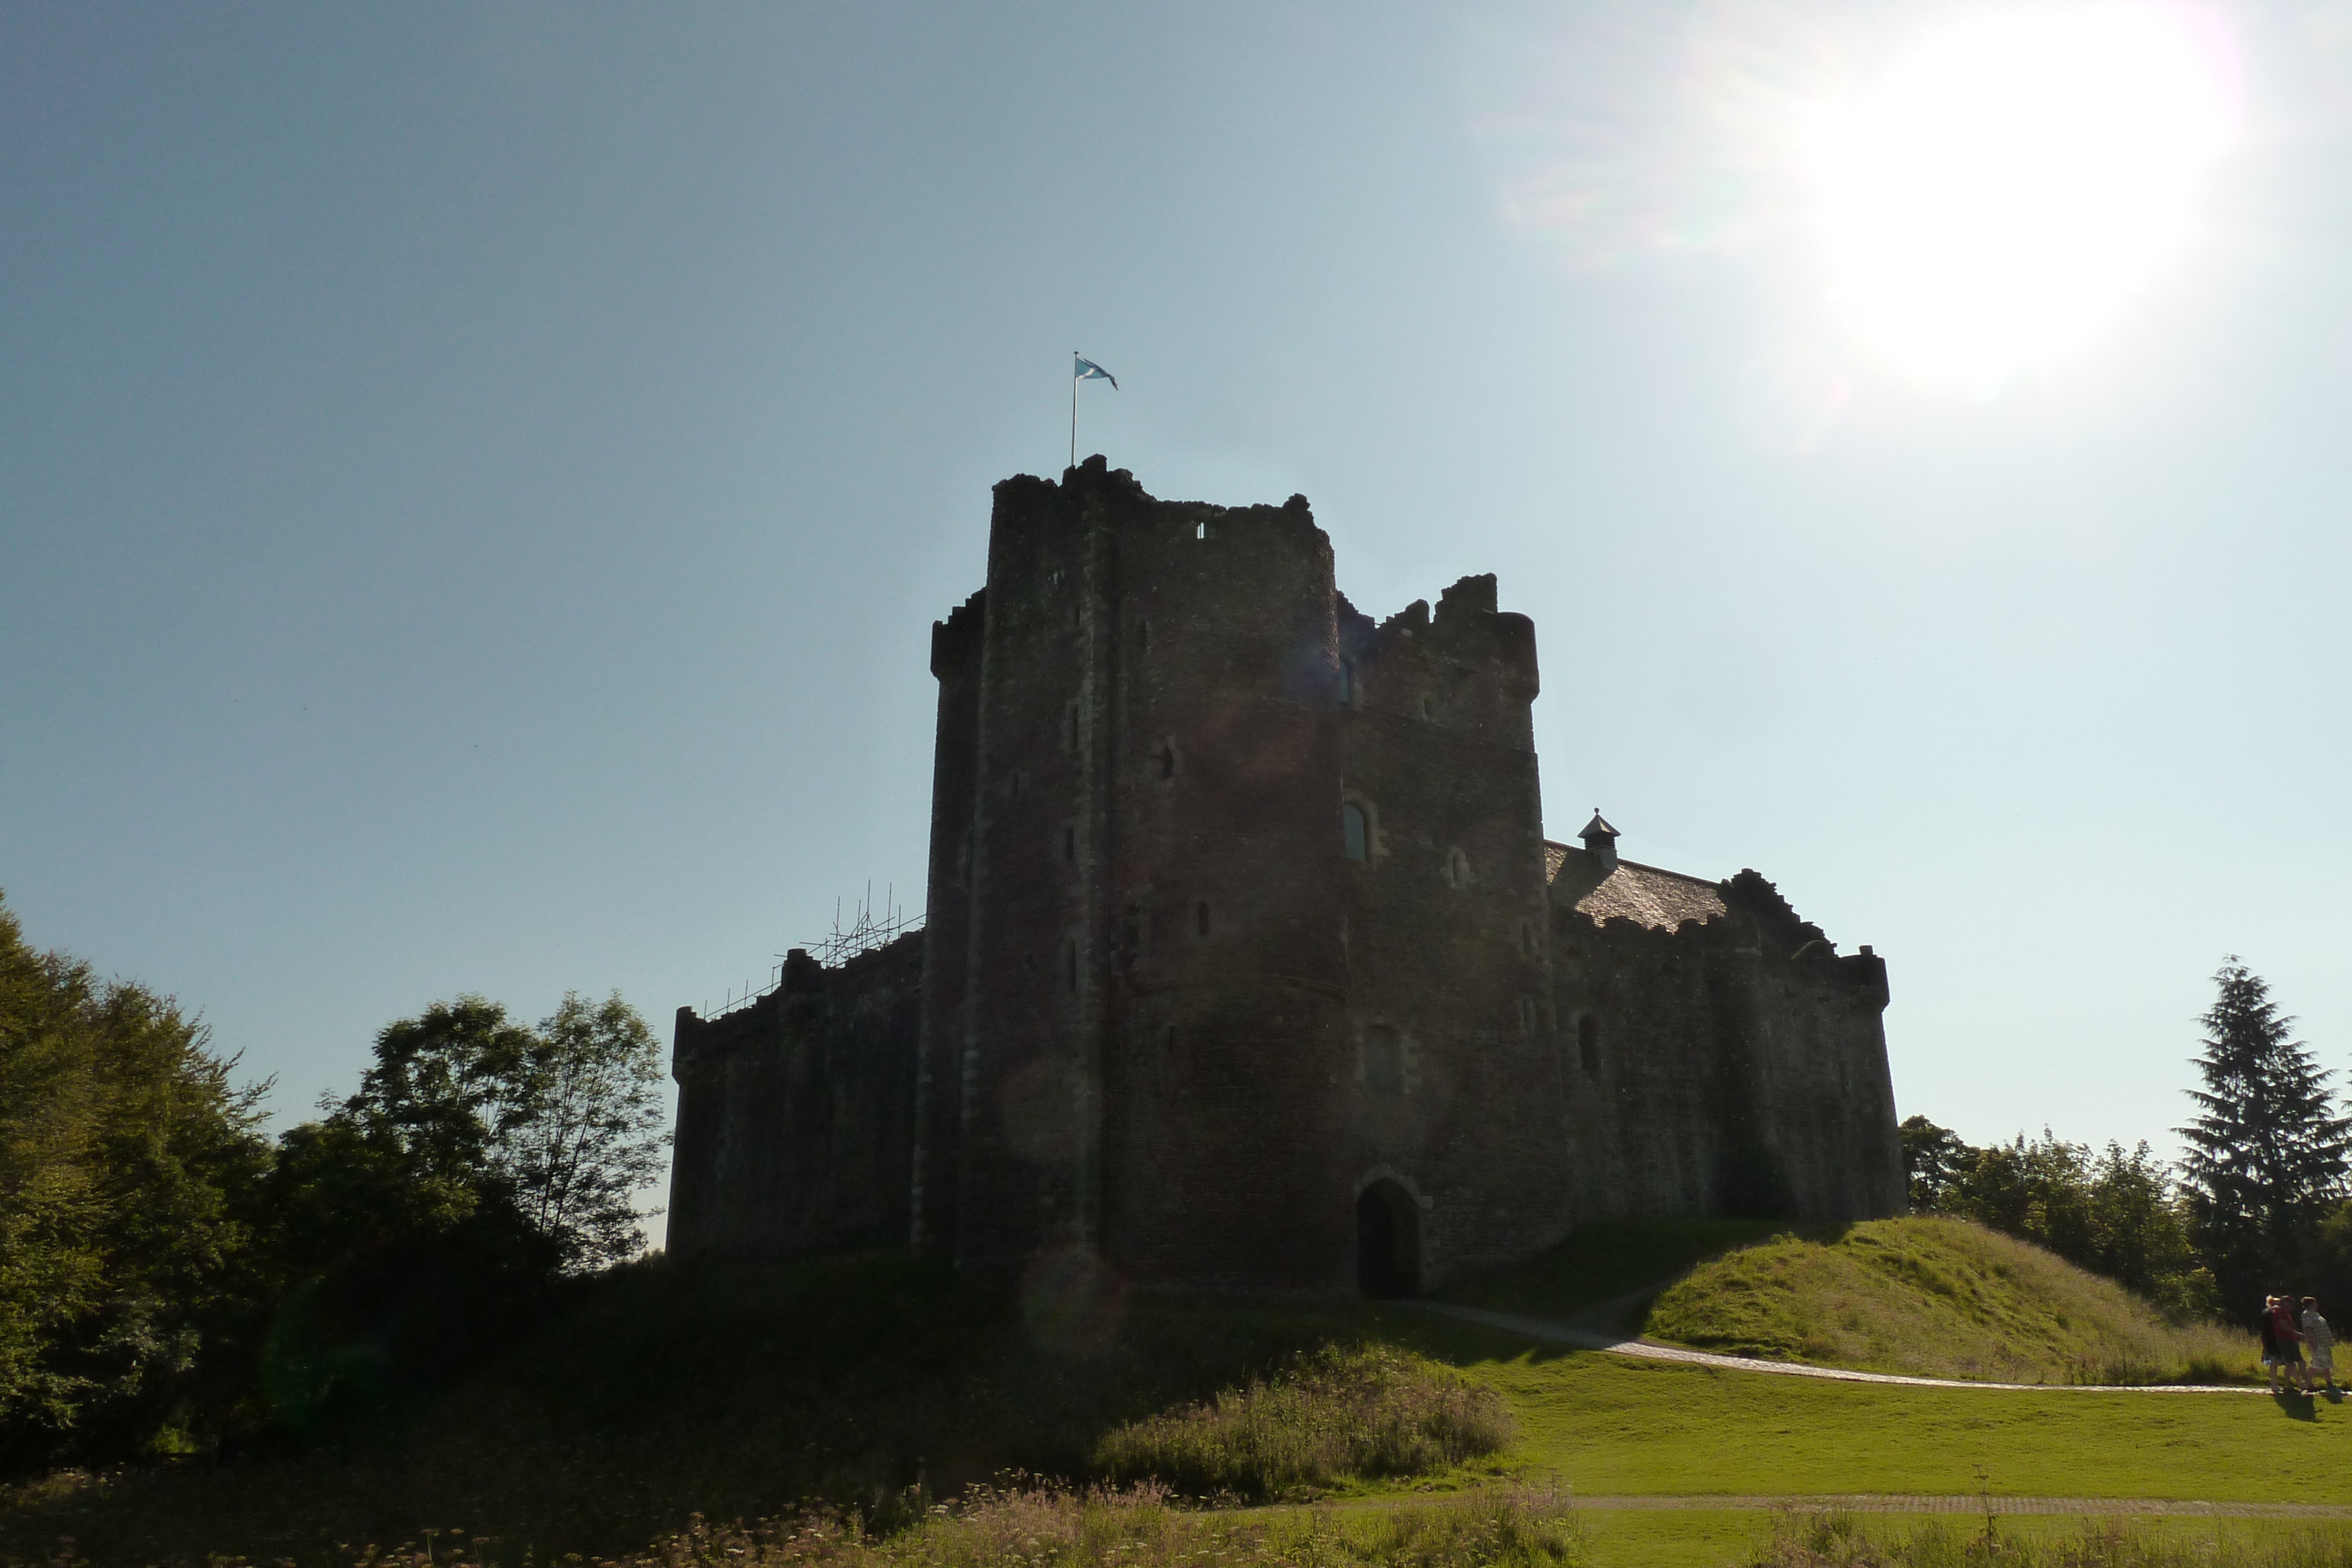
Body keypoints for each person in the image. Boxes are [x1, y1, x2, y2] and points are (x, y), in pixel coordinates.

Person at [2270, 1294, 2312, 1393]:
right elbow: (2283, 1326)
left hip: (2290, 1340)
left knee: (2297, 1362)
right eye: (2289, 1303)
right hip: (2285, 1340)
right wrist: (2297, 1334)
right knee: (2291, 1362)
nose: (2291, 1306)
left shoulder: (2284, 1312)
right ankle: (2300, 1384)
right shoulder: (2281, 1312)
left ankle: (2290, 1383)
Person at [2304, 1297, 2336, 1394]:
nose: (2316, 1305)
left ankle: (2330, 1384)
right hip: (2317, 1344)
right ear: (2309, 1305)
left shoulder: (2316, 1315)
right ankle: (2307, 1383)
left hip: (2324, 1343)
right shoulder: (2307, 1315)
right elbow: (2308, 1330)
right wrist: (2312, 1344)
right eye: (2314, 1303)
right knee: (2316, 1365)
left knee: (2325, 1364)